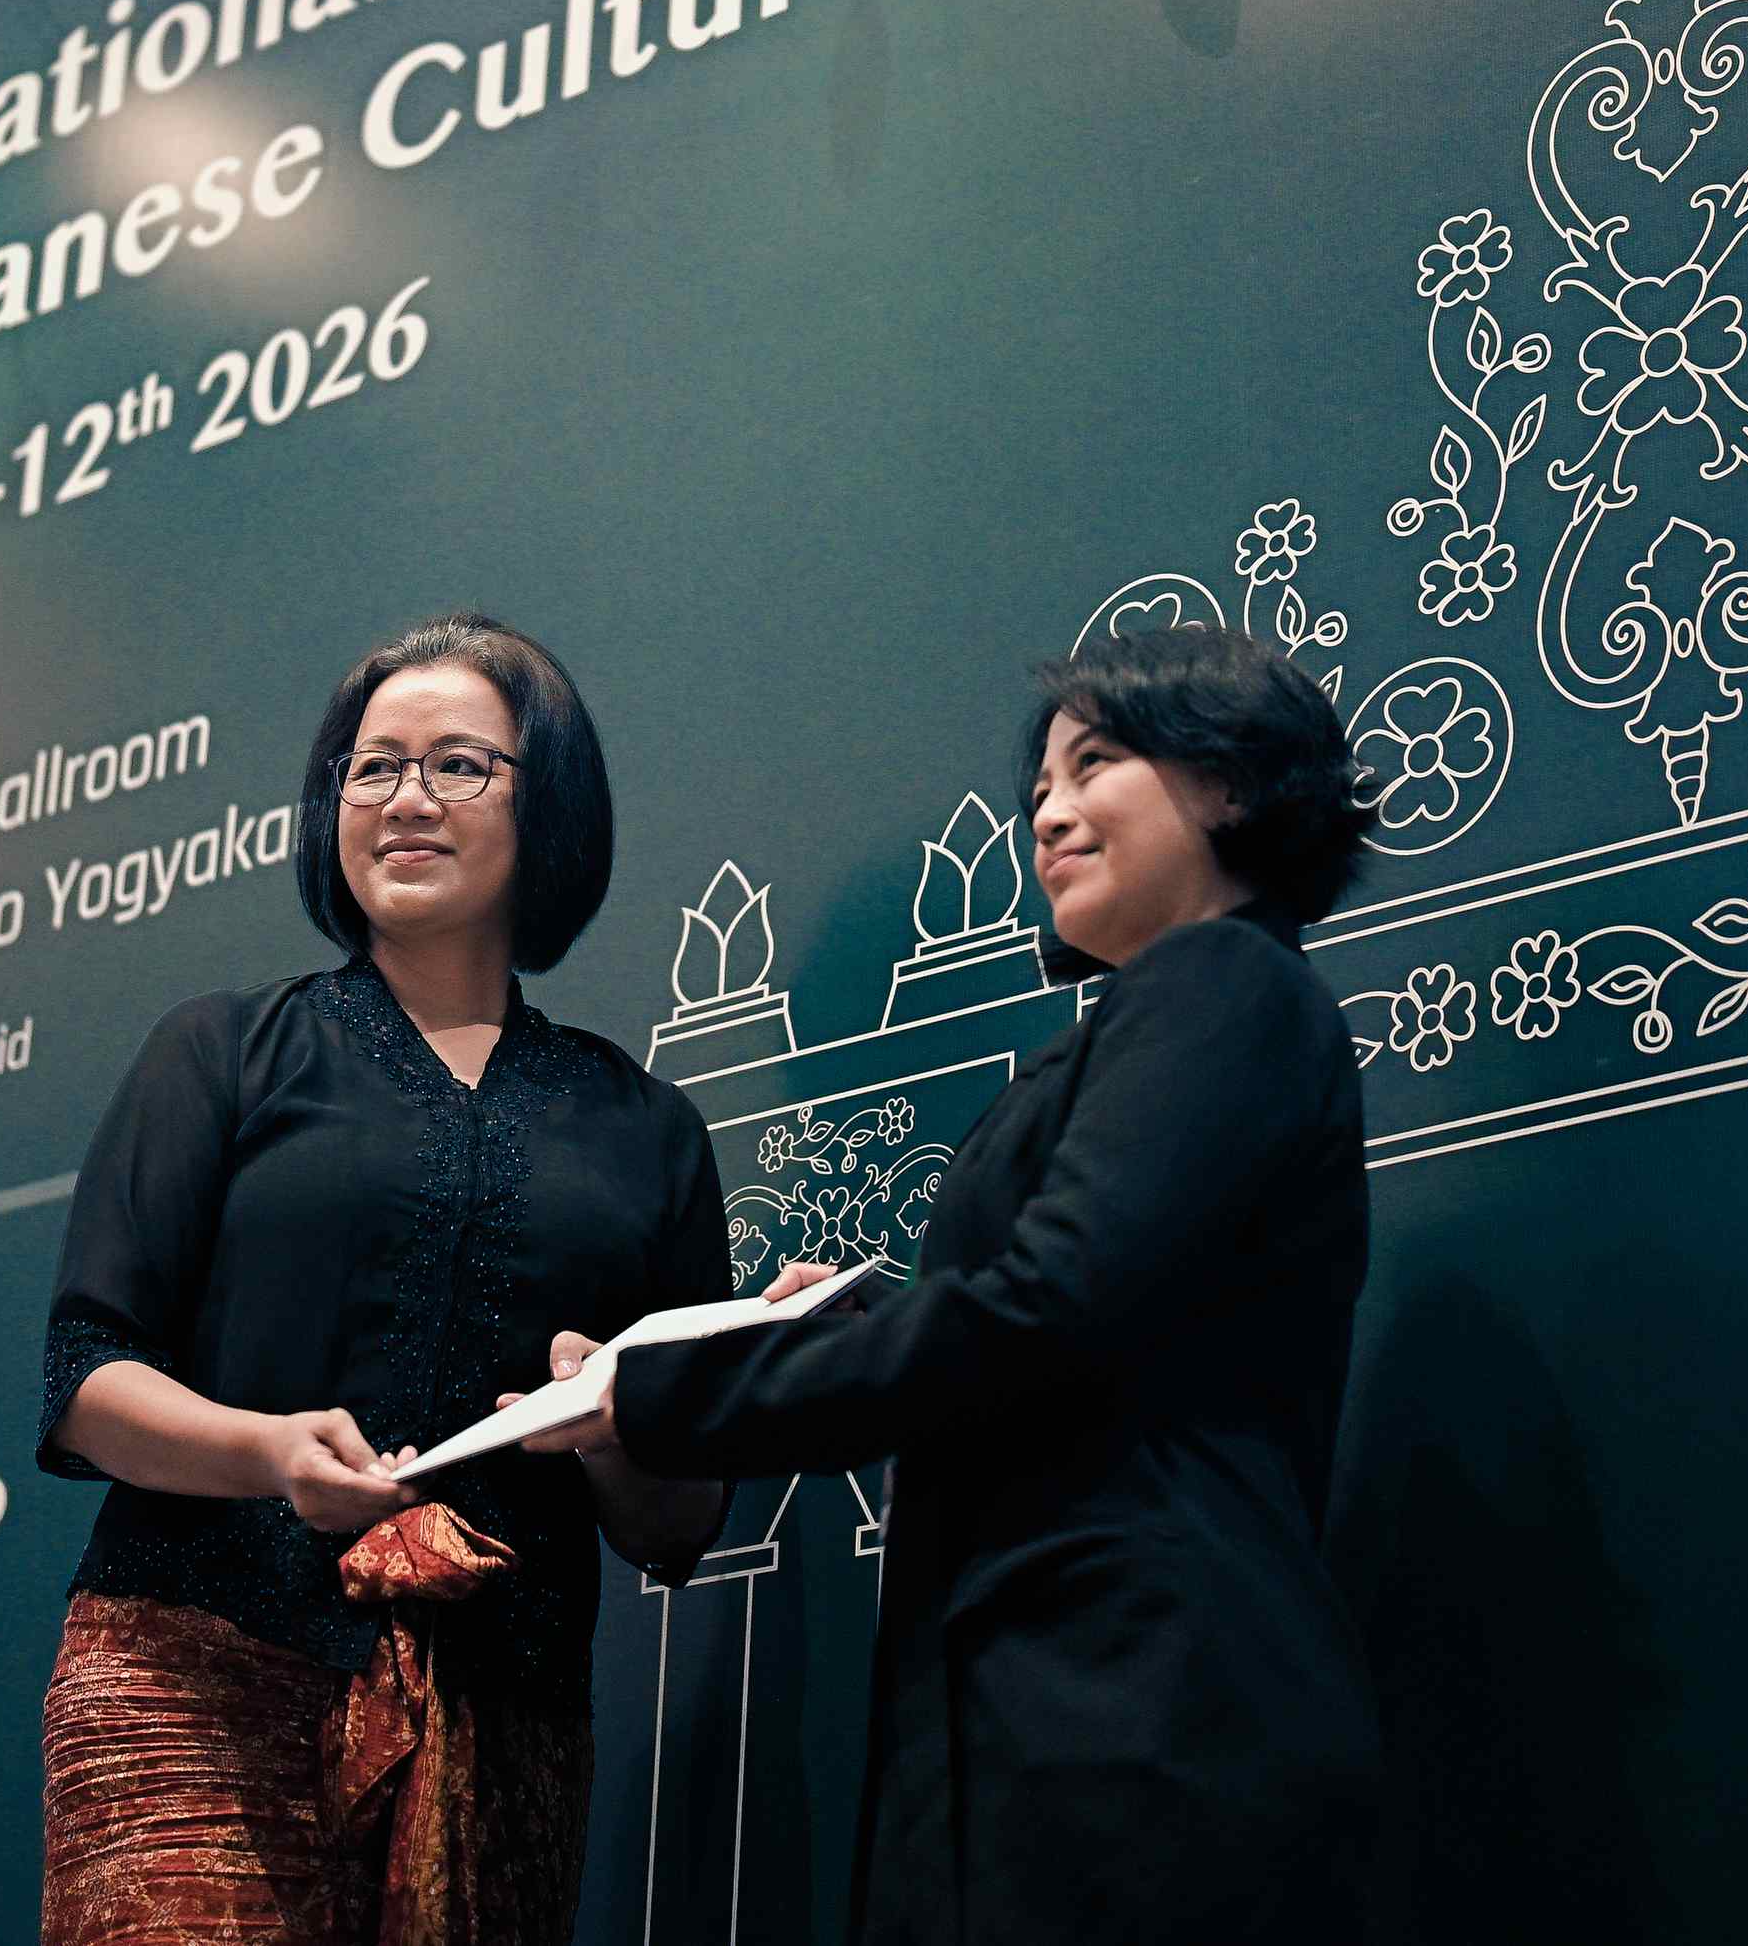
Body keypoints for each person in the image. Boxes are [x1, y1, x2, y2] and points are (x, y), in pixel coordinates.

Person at [555, 624, 1383, 1945]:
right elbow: (1080, 1334)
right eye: (1039, 787)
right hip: (1058, 1715)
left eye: (1094, 764)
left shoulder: (1224, 983)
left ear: (1230, 782)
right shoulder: (1160, 1022)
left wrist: (667, 1393)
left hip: (1137, 1720)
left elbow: (1045, 1308)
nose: (1047, 813)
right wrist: (864, 1324)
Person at [35, 613, 731, 1946]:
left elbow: (678, 1522)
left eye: (458, 764)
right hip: (199, 1680)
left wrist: (611, 1427)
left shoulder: (645, 1129)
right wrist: (268, 1453)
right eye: (372, 768)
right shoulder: (223, 1051)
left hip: (503, 1713)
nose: (407, 799)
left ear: (548, 804)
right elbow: (86, 1378)